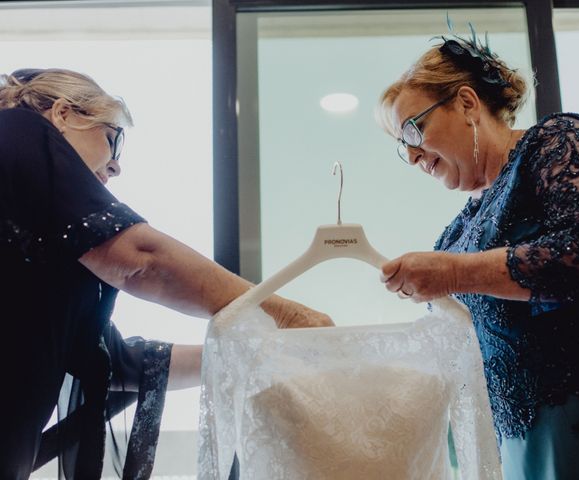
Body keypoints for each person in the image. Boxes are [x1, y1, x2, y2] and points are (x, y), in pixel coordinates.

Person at [0, 68, 331, 479]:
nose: (117, 166)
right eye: (112, 138)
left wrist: (244, 353)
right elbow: (143, 260)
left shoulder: (46, 250)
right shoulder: (15, 130)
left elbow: (117, 362)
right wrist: (282, 313)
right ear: (64, 114)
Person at [376, 35, 579, 479]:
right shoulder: (456, 234)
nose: (413, 154)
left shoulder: (558, 143)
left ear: (465, 102)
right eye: (401, 145)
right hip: (524, 448)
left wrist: (454, 274)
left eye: (412, 130)